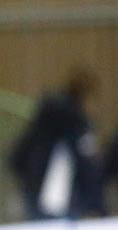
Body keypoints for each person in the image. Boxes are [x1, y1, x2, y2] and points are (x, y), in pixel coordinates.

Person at [8, 67, 106, 219]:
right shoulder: (78, 125)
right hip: (61, 196)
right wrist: (97, 205)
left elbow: (22, 149)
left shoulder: (45, 116)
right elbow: (88, 166)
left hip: (35, 189)